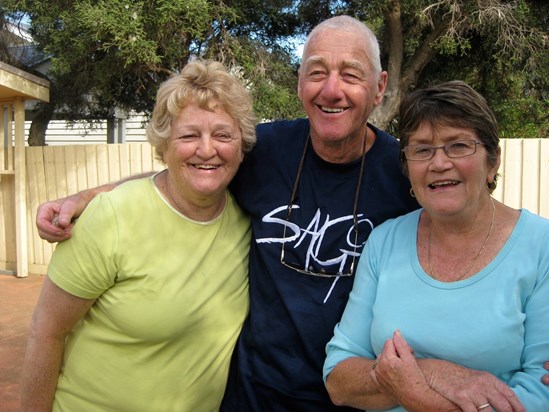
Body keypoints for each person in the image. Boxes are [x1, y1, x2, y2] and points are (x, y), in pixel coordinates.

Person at [35, 16, 549, 411]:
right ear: (300, 81)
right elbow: (188, 168)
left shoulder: (406, 171)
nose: (332, 89)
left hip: (350, 398)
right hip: (251, 395)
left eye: (351, 74)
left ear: (379, 86)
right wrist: (88, 198)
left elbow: (474, 224)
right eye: (317, 72)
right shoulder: (266, 150)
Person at [20, 59, 257, 411]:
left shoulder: (248, 217)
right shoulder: (112, 217)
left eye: (223, 135)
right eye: (189, 135)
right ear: (164, 145)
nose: (207, 149)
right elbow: (46, 332)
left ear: (242, 145)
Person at [323, 80, 549, 411]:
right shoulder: (384, 241)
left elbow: (540, 396)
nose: (439, 163)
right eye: (422, 149)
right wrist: (429, 373)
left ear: (493, 161)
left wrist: (417, 395)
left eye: (458, 145)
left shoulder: (541, 246)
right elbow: (338, 379)